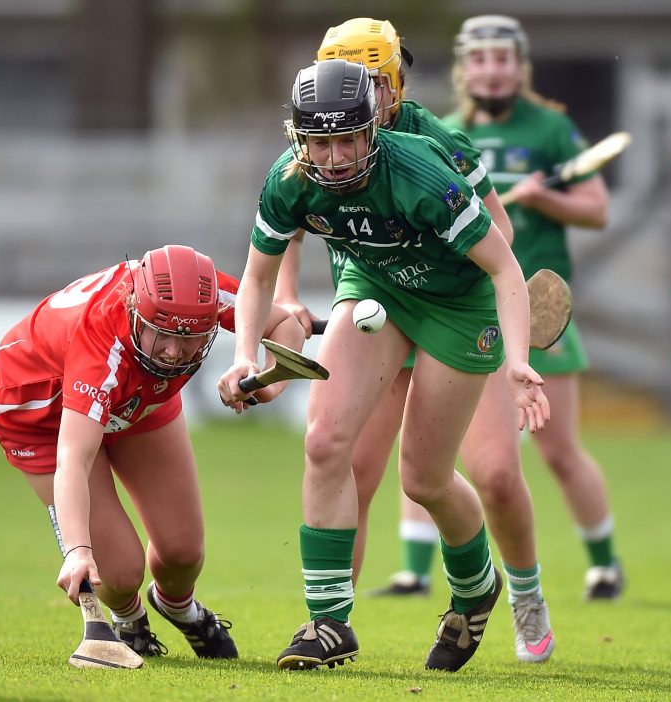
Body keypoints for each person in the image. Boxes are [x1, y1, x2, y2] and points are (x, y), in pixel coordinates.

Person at [217, 59, 549, 673]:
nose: (337, 157)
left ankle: (476, 590)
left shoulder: (422, 173)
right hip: (377, 287)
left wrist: (519, 360)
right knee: (323, 442)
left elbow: (504, 266)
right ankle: (328, 624)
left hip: (457, 303)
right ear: (300, 139)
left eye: (348, 139)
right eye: (322, 141)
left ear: (372, 130)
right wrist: (243, 356)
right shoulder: (289, 181)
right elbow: (258, 277)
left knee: (423, 480)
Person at [0, 244, 304, 659]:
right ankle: (129, 618)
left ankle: (179, 607)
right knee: (117, 574)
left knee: (183, 552)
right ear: (136, 308)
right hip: (39, 413)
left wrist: (264, 381)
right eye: (163, 333)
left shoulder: (201, 299)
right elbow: (74, 459)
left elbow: (285, 324)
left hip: (136, 393)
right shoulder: (100, 341)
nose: (174, 352)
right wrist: (78, 551)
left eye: (189, 338)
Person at [442, 15, 624, 600]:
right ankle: (413, 570)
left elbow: (597, 208)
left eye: (502, 58)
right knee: (436, 447)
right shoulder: (441, 133)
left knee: (560, 450)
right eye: (480, 58)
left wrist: (545, 197)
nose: (491, 69)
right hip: (466, 313)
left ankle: (604, 564)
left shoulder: (551, 129)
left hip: (541, 311)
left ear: (520, 67)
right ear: (463, 68)